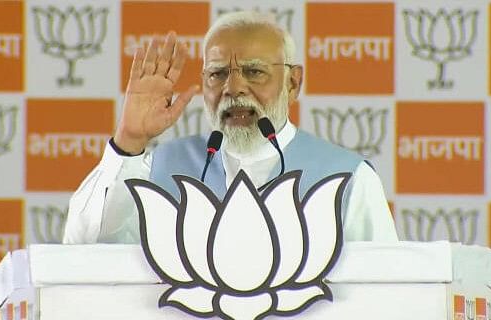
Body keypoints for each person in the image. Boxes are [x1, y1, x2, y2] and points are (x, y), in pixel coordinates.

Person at [62, 11, 397, 244]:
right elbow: (86, 245)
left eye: (253, 72)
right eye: (217, 74)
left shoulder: (348, 177)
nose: (233, 88)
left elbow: (383, 292)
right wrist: (128, 142)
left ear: (292, 84)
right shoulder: (158, 167)